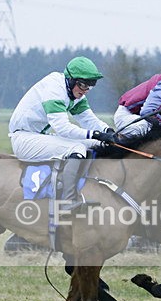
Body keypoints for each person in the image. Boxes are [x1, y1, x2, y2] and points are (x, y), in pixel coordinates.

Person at [8, 56, 116, 211]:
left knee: (97, 144)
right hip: (24, 139)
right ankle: (67, 201)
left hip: (39, 136)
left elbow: (88, 119)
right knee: (77, 148)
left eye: (89, 87)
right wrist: (96, 134)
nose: (84, 91)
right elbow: (63, 128)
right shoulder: (54, 89)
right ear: (71, 80)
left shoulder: (75, 93)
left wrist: (108, 131)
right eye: (82, 85)